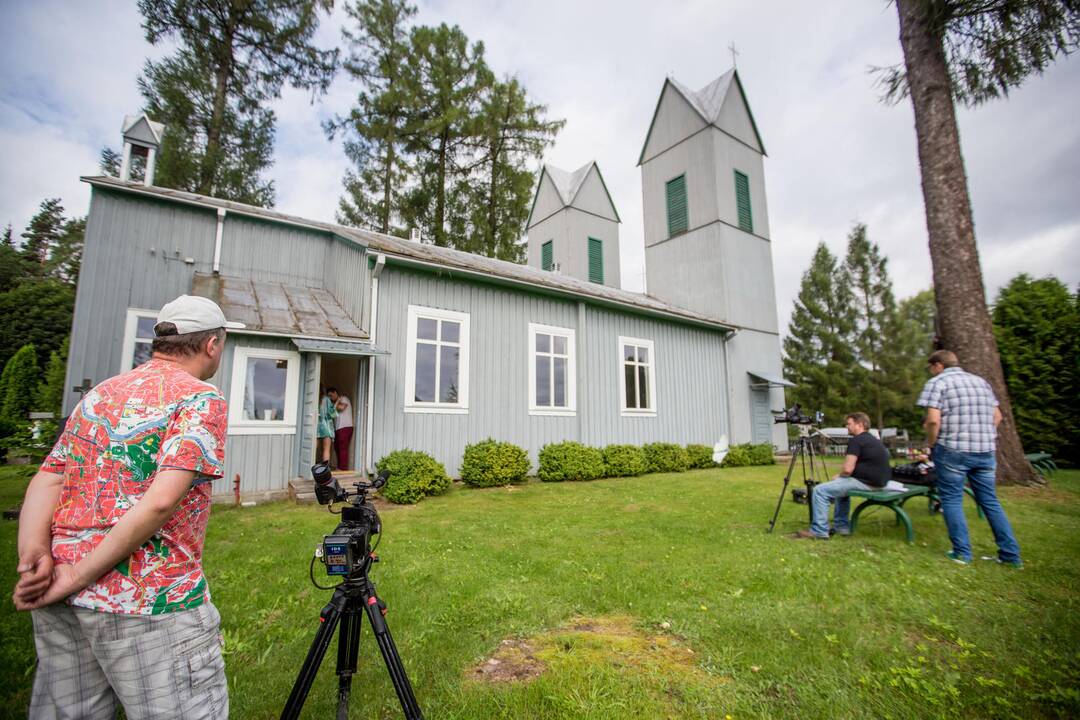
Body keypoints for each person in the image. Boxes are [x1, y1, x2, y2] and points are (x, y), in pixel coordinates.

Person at [12, 295, 242, 719]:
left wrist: (37, 556)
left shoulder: (101, 394)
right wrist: (78, 575)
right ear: (212, 345)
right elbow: (160, 501)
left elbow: (49, 476)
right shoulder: (200, 398)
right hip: (149, 600)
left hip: (60, 592)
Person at [917, 349, 1022, 567]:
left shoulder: (938, 383)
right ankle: (1011, 555)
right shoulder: (981, 382)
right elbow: (997, 416)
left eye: (931, 368)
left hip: (953, 449)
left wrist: (931, 443)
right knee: (990, 501)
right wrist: (982, 434)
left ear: (938, 365)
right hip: (985, 450)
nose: (931, 372)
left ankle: (961, 553)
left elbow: (933, 421)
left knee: (952, 499)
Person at [792, 412, 891, 540]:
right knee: (841, 488)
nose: (847, 427)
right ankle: (841, 526)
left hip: (867, 483)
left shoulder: (857, 441)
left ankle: (819, 530)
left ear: (860, 425)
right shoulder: (873, 440)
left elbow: (848, 469)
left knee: (819, 490)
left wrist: (839, 476)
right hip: (879, 482)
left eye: (849, 424)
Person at [328, 387, 353, 470]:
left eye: (331, 395)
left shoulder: (344, 398)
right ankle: (339, 467)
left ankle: (342, 469)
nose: (330, 398)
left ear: (335, 393)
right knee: (337, 448)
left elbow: (341, 408)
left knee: (343, 448)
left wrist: (337, 401)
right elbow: (332, 415)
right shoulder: (334, 403)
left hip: (345, 427)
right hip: (338, 428)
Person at [317, 387, 337, 464]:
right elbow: (333, 414)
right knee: (326, 450)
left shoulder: (312, 398)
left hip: (315, 425)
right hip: (326, 427)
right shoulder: (326, 399)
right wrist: (337, 402)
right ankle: (325, 471)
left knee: (313, 449)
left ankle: (311, 469)